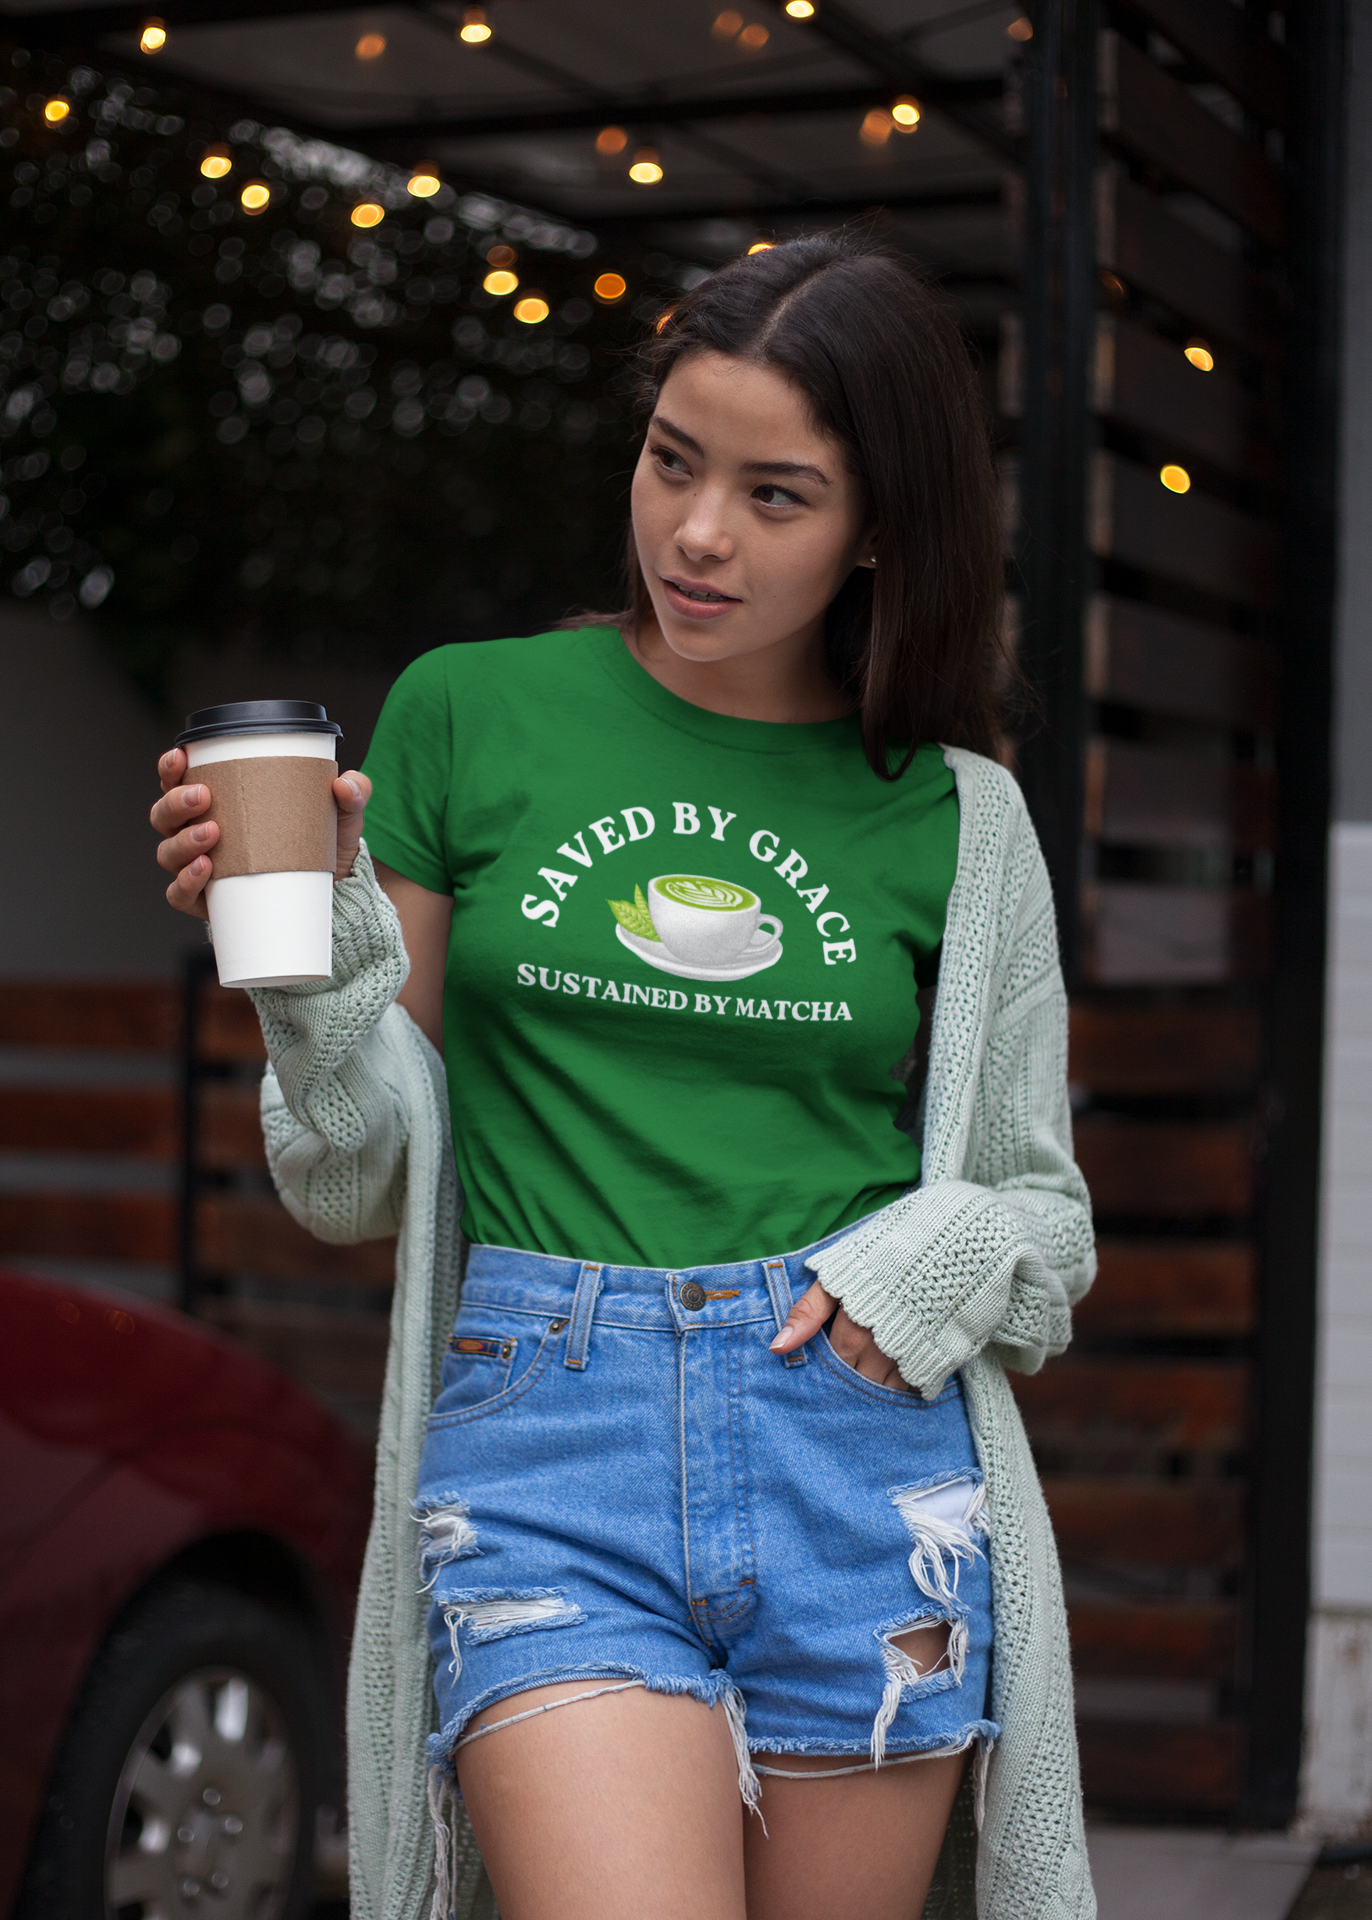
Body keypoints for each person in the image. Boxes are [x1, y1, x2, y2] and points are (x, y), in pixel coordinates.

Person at [151, 233, 1096, 1920]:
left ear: (881, 527)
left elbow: (1043, 1217)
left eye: (776, 494)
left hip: (855, 1452)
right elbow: (350, 1176)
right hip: (545, 1436)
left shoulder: (962, 819)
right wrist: (310, 986)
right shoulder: (469, 714)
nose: (699, 532)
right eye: (673, 461)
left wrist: (918, 1262)